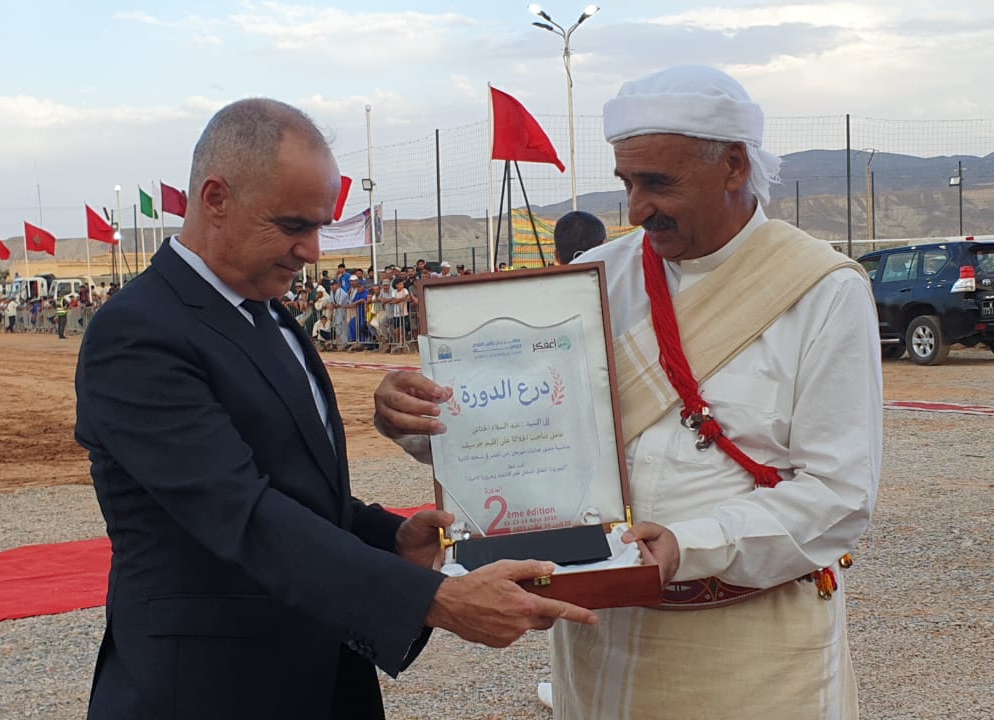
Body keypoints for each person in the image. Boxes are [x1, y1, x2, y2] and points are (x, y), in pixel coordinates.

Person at [373, 65, 882, 719]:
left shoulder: (822, 291)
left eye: (659, 183)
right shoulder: (595, 277)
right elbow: (526, 435)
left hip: (756, 649)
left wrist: (689, 547)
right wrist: (417, 420)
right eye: (627, 183)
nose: (637, 209)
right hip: (604, 645)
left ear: (733, 166)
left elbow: (838, 494)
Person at [74, 97, 596, 720]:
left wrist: (389, 537)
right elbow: (241, 512)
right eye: (294, 225)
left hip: (319, 672)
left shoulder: (267, 314)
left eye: (320, 225)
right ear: (215, 198)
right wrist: (435, 599)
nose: (312, 250)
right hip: (208, 686)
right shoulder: (138, 333)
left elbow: (299, 490)